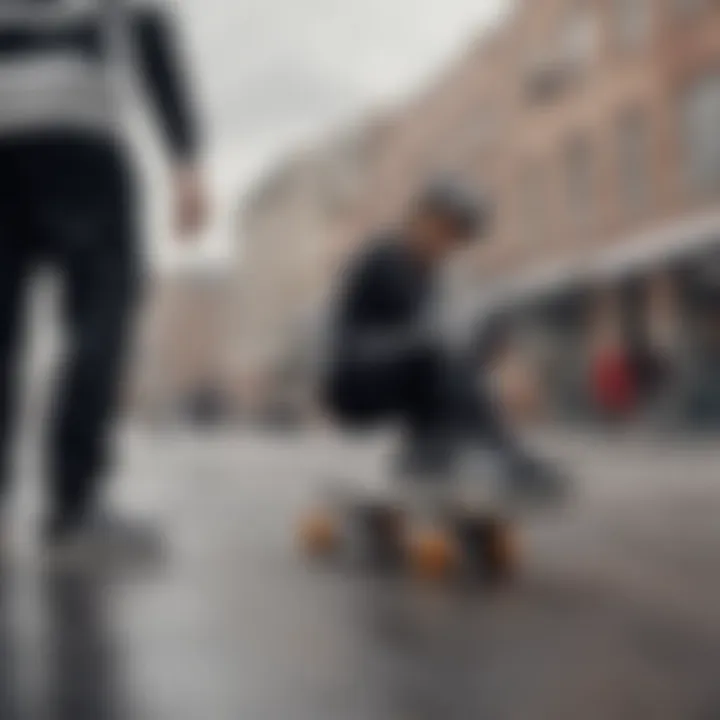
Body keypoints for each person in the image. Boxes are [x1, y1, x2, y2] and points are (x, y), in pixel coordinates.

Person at [0, 0, 207, 556]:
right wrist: (185, 158)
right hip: (78, 130)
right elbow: (150, 36)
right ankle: (74, 507)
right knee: (101, 310)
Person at [322, 180, 561, 496]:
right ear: (423, 219)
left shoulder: (427, 274)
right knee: (439, 347)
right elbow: (436, 332)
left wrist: (499, 352)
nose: (449, 245)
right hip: (355, 379)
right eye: (447, 232)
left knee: (453, 346)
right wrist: (498, 365)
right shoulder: (385, 259)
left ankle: (431, 451)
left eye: (457, 238)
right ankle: (477, 452)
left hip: (397, 372)